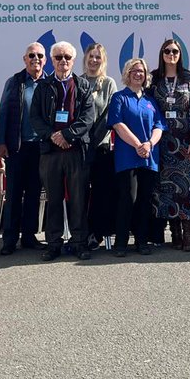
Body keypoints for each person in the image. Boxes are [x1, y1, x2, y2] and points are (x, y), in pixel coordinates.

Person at [31, 40, 96, 261]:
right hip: (50, 152)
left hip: (76, 151)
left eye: (67, 57)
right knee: (54, 198)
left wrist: (67, 135)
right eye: (58, 57)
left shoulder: (83, 86)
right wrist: (53, 136)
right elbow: (35, 118)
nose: (63, 61)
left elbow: (88, 118)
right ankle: (54, 243)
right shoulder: (43, 86)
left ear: (74, 61)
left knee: (78, 198)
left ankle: (79, 242)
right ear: (52, 60)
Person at [0, 42, 52, 256]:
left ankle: (29, 237)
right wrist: (1, 144)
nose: (36, 59)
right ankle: (9, 240)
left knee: (34, 194)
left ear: (45, 60)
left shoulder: (50, 83)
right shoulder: (15, 82)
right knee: (14, 194)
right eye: (31, 55)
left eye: (39, 55)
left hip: (41, 149)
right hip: (17, 148)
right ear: (24, 59)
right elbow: (3, 114)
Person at [107, 57, 166, 256]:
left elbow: (159, 125)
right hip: (127, 157)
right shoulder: (119, 98)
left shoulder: (150, 101)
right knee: (127, 199)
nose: (138, 74)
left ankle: (142, 241)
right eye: (134, 71)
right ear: (127, 74)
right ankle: (121, 243)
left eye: (141, 71)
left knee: (144, 200)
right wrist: (138, 144)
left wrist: (149, 144)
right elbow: (117, 124)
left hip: (149, 157)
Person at [149, 38, 190, 251]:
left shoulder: (189, 78)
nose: (171, 54)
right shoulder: (154, 79)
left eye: (175, 51)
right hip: (162, 141)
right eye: (167, 51)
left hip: (185, 142)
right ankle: (175, 234)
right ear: (162, 54)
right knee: (167, 188)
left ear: (180, 54)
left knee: (187, 187)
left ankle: (188, 233)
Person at [82, 43, 118, 250]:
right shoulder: (78, 82)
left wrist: (92, 141)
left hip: (101, 148)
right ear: (85, 58)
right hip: (79, 148)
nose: (94, 60)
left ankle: (96, 234)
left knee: (100, 193)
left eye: (98, 57)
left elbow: (108, 118)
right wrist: (81, 140)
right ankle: (81, 233)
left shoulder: (109, 83)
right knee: (80, 193)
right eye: (91, 56)